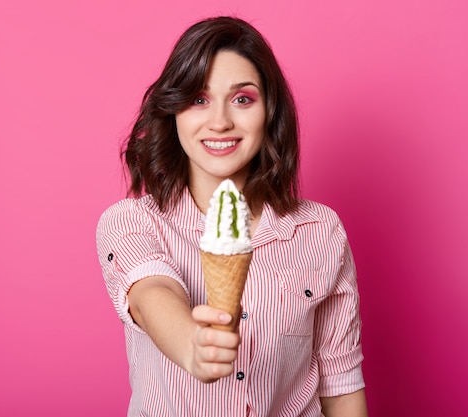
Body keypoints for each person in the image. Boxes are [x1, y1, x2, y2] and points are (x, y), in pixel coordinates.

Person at [96, 16, 368, 416]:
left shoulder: (320, 232)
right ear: (173, 111)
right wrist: (190, 341)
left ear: (269, 112)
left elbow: (341, 388)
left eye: (242, 99)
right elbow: (152, 292)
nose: (220, 121)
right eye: (199, 99)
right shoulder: (131, 222)